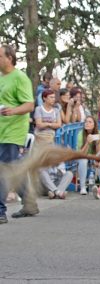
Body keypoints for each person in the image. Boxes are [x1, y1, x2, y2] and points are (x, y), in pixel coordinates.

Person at [0, 44, 37, 223]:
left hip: (13, 131)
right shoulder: (1, 78)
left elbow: (29, 105)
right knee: (15, 167)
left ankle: (0, 211)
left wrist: (13, 111)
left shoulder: (20, 78)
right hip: (1, 131)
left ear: (10, 58)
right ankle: (29, 204)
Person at [77, 116, 100, 195]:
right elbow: (81, 154)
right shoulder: (80, 134)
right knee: (83, 160)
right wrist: (87, 142)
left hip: (95, 156)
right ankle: (83, 187)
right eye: (86, 121)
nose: (87, 123)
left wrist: (98, 143)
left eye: (90, 122)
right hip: (84, 156)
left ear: (94, 125)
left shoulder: (99, 134)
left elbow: (99, 154)